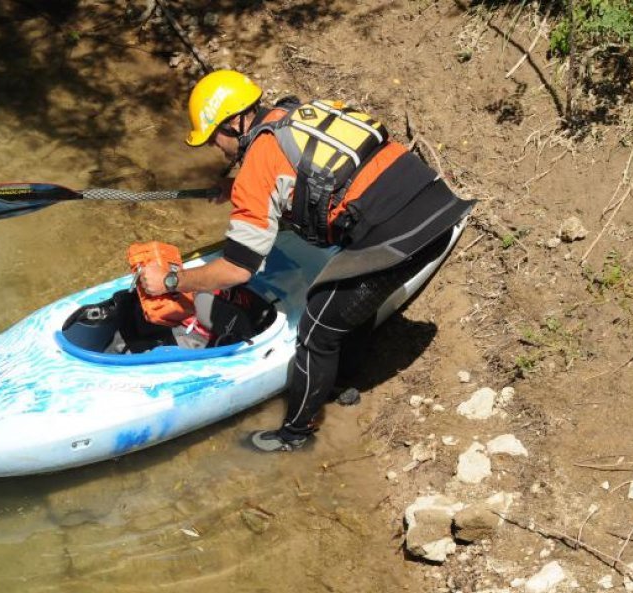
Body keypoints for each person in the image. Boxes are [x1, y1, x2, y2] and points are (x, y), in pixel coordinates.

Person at [137, 70, 474, 452]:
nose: (217, 149)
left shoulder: (257, 166)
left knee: (318, 324)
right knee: (343, 299)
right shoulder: (296, 115)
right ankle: (345, 381)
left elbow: (237, 269)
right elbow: (317, 175)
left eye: (215, 137)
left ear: (235, 122)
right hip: (438, 207)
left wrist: (170, 281)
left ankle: (295, 435)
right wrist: (244, 189)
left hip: (403, 237)